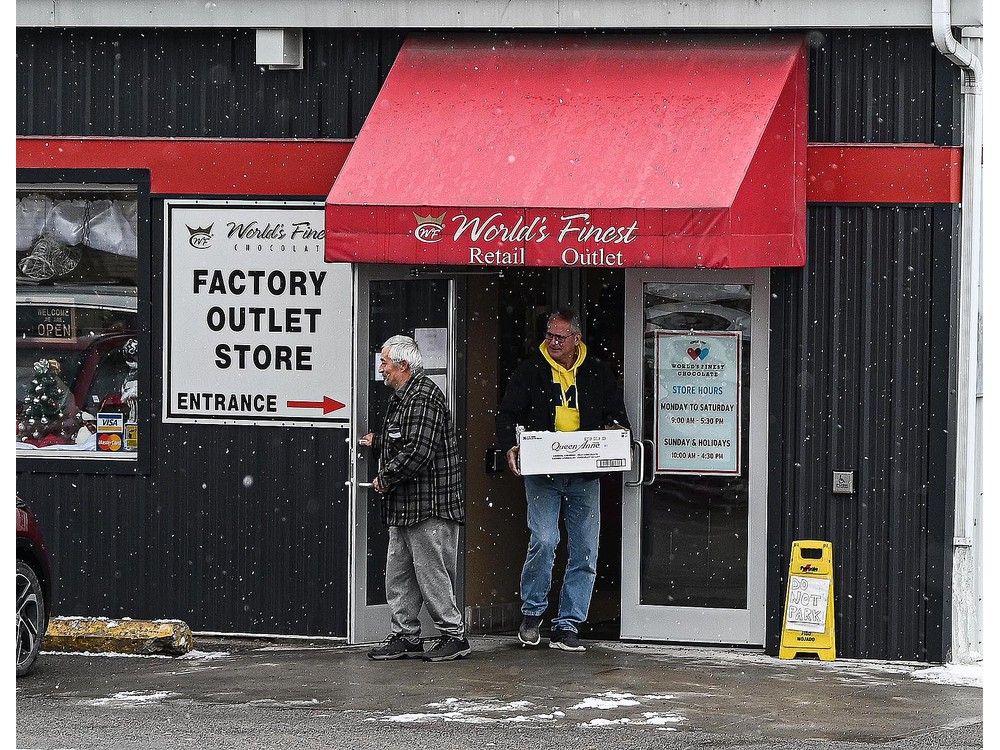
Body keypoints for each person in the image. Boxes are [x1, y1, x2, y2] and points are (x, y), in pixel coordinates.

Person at [497, 309, 629, 652]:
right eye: (549, 336)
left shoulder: (597, 372)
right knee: (544, 539)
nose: (553, 342)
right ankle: (532, 613)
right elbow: (508, 414)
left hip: (584, 474)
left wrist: (615, 433)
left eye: (560, 337)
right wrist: (510, 444)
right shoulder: (530, 371)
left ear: (576, 340)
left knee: (585, 548)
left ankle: (569, 623)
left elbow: (616, 415)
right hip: (543, 471)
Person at [360, 335, 470, 662]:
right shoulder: (404, 397)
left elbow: (419, 451)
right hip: (407, 505)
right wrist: (379, 442)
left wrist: (385, 477)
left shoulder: (424, 397)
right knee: (400, 573)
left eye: (385, 363)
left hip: (429, 505)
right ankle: (405, 635)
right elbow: (405, 440)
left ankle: (454, 635)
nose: (380, 369)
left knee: (431, 573)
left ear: (403, 366)